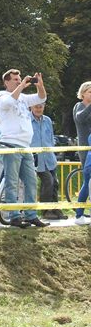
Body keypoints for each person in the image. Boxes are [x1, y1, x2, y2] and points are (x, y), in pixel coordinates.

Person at [0, 69, 49, 228]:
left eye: (20, 79)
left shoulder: (24, 98)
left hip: (26, 146)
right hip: (11, 144)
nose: (19, 81)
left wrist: (40, 85)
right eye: (15, 79)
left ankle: (31, 215)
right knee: (12, 182)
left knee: (31, 181)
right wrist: (22, 86)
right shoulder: (1, 96)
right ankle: (14, 216)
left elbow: (42, 97)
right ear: (6, 82)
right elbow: (8, 103)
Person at [30, 103, 66, 220]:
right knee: (48, 181)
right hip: (36, 158)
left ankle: (55, 209)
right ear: (31, 107)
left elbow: (50, 137)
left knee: (55, 183)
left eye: (40, 107)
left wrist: (52, 149)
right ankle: (46, 211)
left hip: (49, 157)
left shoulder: (47, 120)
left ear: (44, 107)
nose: (38, 109)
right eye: (36, 107)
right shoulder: (26, 120)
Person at [72, 81, 91, 224]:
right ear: (83, 93)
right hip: (85, 148)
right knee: (88, 179)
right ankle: (79, 214)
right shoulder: (79, 106)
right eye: (90, 92)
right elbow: (80, 118)